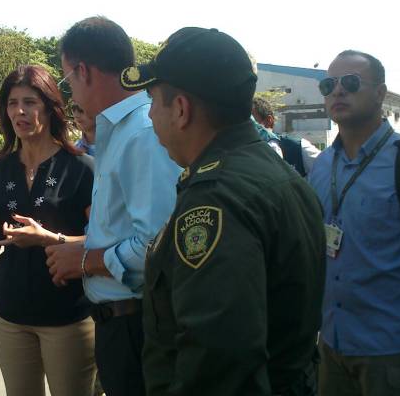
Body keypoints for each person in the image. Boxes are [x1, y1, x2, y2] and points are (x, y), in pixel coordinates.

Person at [120, 27, 326, 395]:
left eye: (153, 101)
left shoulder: (217, 198)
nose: (150, 116)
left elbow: (218, 362)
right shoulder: (273, 171)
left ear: (181, 109)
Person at [308, 50, 400, 395]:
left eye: (350, 83)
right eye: (328, 85)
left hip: (393, 352)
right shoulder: (322, 165)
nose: (337, 92)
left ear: (380, 93)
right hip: (331, 345)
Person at [44, 16, 181, 396]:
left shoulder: (141, 132)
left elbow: (160, 244)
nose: (69, 90)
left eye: (66, 78)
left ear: (82, 71)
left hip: (137, 326)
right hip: (121, 324)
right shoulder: (119, 129)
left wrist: (86, 260)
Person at [0, 65, 96, 396]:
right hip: (10, 314)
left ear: (50, 108)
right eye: (12, 103)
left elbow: (105, 241)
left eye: (30, 102)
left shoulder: (81, 168)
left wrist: (50, 239)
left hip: (68, 314)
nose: (19, 111)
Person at [252, 96, 320, 176]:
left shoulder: (298, 148)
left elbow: (328, 171)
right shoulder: (240, 157)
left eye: (252, 122)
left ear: (268, 121)